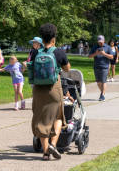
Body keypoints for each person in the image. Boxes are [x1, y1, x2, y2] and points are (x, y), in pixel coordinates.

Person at [31, 23, 70, 161]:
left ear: (42, 38)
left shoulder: (36, 52)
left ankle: (46, 152)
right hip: (54, 88)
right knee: (58, 117)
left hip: (38, 89)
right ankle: (53, 144)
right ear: (53, 38)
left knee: (42, 119)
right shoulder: (58, 52)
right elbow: (66, 69)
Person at [88, 35, 114, 101]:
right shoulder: (95, 47)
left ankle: (102, 95)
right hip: (96, 66)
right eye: (99, 42)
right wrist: (96, 53)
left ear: (104, 41)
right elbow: (89, 56)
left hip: (105, 67)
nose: (100, 43)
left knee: (103, 81)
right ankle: (103, 92)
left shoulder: (108, 47)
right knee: (98, 82)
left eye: (101, 42)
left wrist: (104, 54)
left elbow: (111, 57)